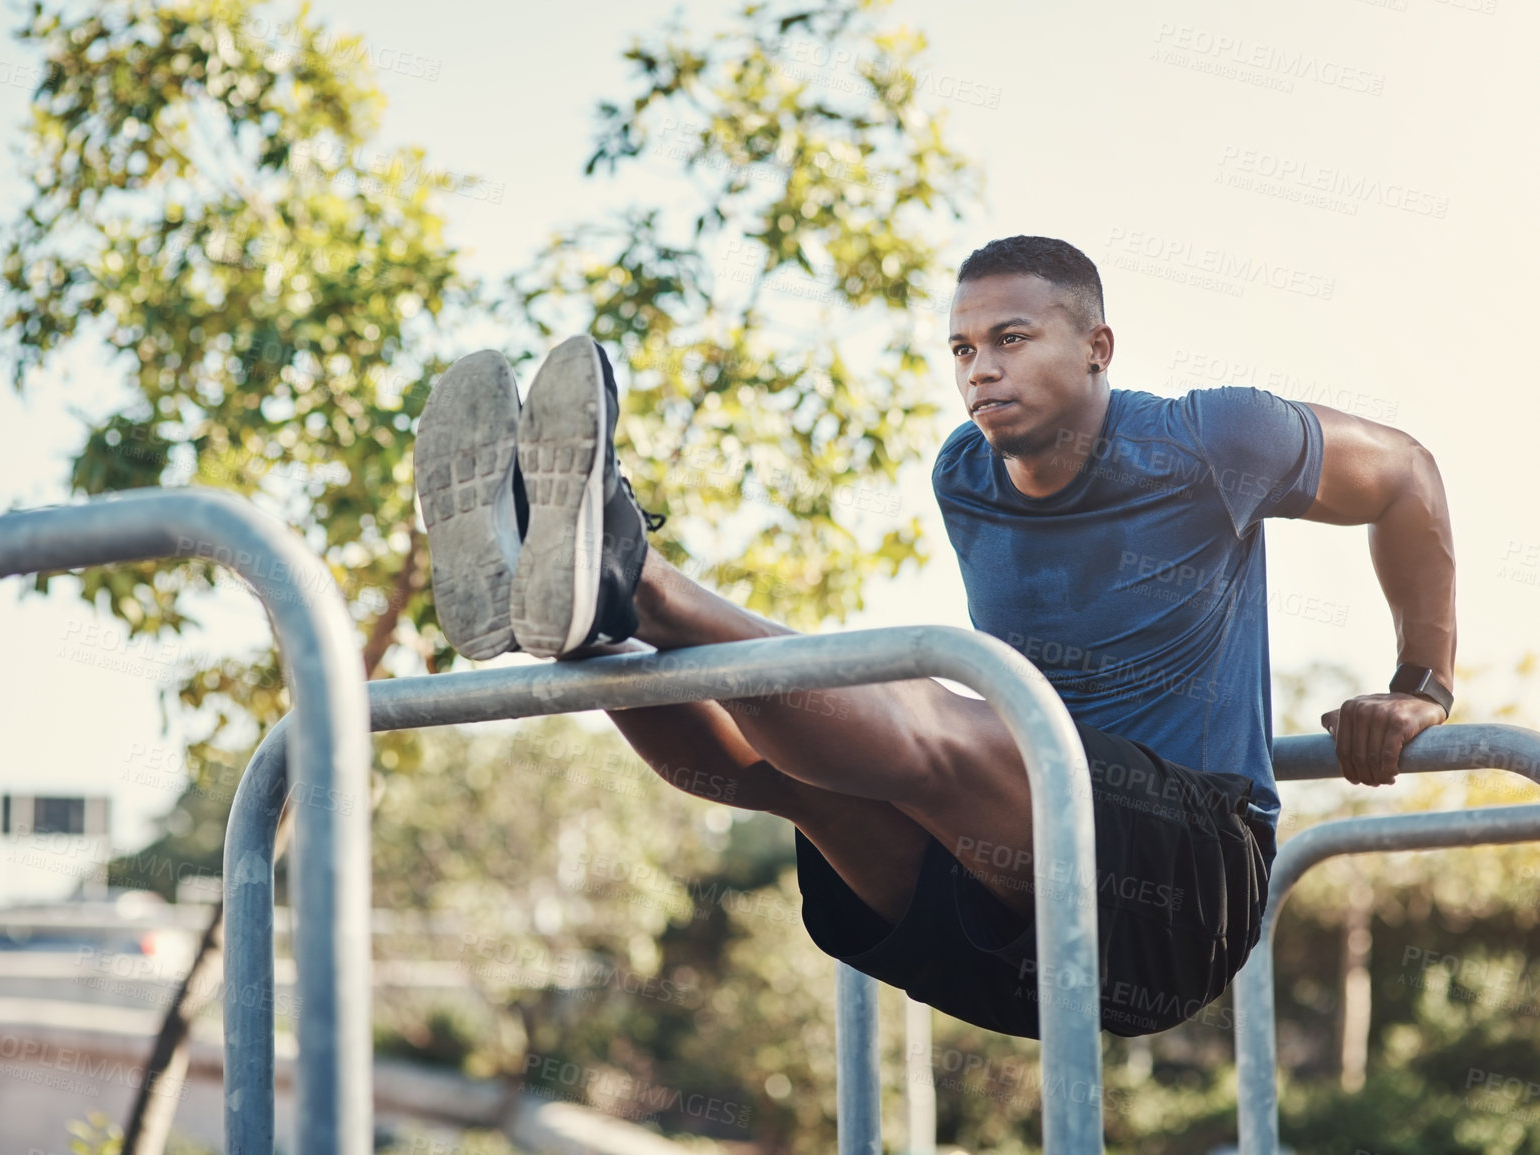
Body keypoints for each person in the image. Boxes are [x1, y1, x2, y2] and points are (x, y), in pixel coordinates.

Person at [410, 235, 1457, 1038]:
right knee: (791, 777)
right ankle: (584, 630)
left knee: (940, 716)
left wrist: (1422, 681)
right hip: (1010, 923)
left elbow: (1403, 474)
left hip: (1182, 886)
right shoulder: (966, 472)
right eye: (962, 347)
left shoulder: (1213, 439)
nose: (978, 370)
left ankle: (625, 573)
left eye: (1011, 339)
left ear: (1097, 348)